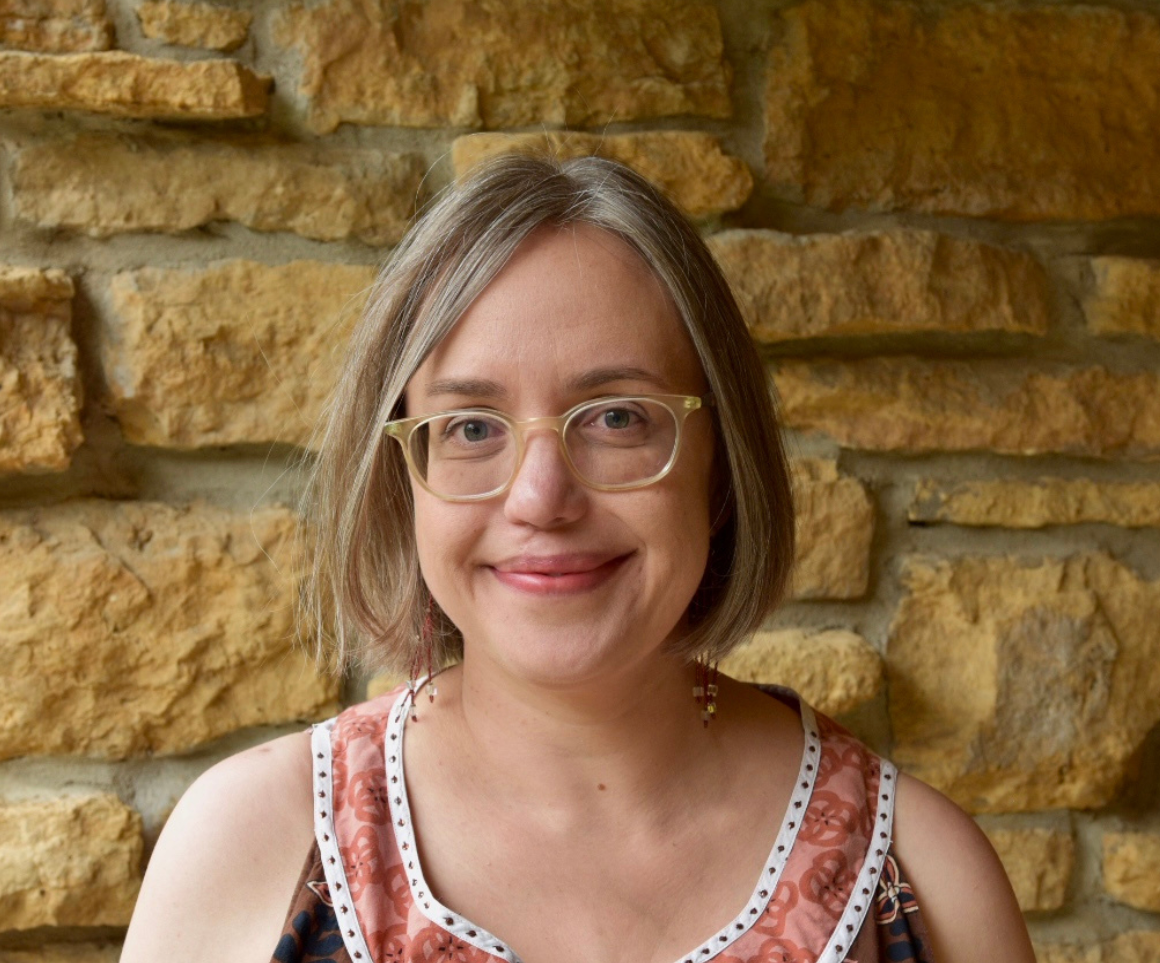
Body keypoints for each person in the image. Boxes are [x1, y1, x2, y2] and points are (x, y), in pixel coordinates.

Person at [120, 155, 1036, 963]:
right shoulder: (251, 847)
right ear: (405, 476)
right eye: (471, 426)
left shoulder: (923, 877)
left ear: (722, 463)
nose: (540, 497)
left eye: (617, 417)